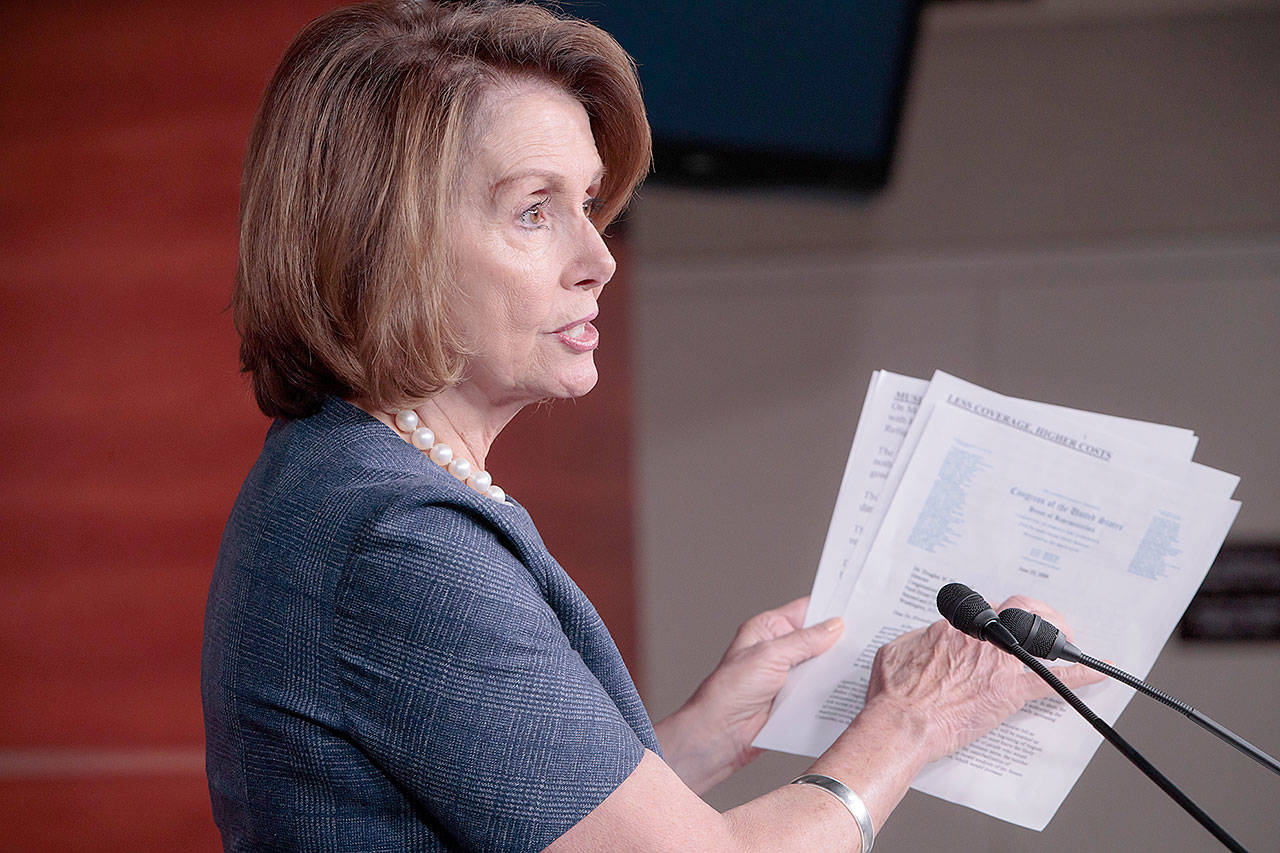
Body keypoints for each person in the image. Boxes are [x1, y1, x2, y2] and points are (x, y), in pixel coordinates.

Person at [201, 1, 1102, 850]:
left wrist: (704, 735)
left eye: (589, 204)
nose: (597, 258)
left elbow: (539, 816)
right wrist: (913, 720)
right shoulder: (396, 541)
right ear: (383, 242)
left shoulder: (346, 473)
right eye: (533, 210)